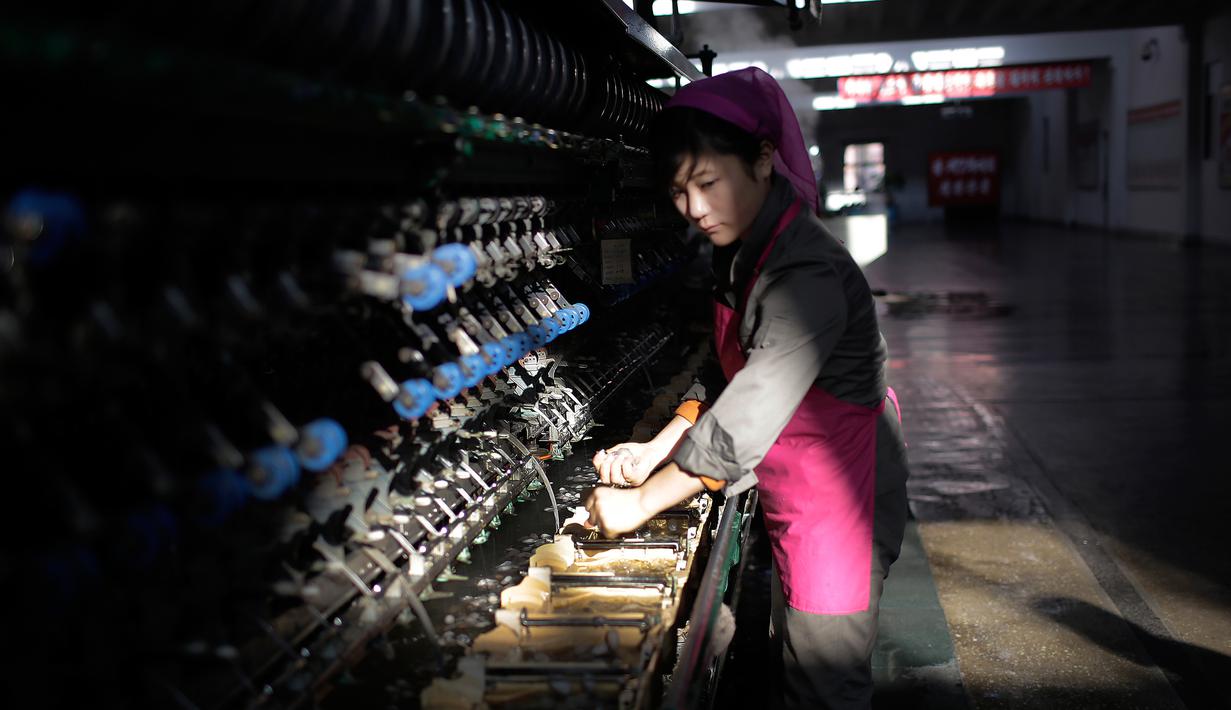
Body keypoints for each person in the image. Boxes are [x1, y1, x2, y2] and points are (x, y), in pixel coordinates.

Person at [584, 67, 910, 710]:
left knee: (823, 681)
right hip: (797, 472)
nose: (695, 210)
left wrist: (641, 503)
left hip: (839, 493)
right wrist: (657, 449)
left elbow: (747, 417)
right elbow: (725, 370)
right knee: (794, 655)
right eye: (679, 192)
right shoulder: (747, 247)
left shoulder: (803, 267)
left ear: (762, 159)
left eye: (708, 183)